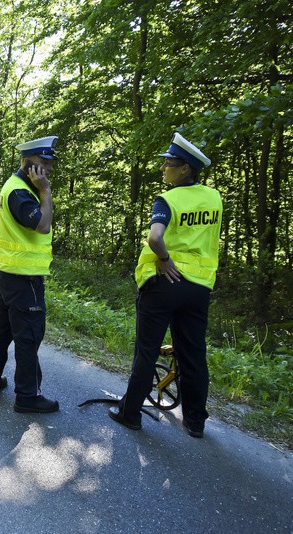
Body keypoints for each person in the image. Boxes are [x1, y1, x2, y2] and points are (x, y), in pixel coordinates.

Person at [108, 133, 222, 438]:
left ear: (185, 168)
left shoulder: (167, 199)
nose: (163, 169)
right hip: (199, 287)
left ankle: (130, 413)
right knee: (193, 354)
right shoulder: (214, 198)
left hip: (165, 284)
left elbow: (155, 238)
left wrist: (165, 259)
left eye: (168, 163)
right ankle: (195, 422)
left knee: (146, 351)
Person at [0, 135, 60, 414]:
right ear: (28, 162)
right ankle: (28, 396)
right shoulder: (21, 193)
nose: (48, 169)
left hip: (8, 272)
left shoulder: (20, 187)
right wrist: (45, 191)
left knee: (1, 328)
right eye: (43, 162)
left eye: (51, 164)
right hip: (23, 277)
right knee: (29, 335)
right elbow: (43, 226)